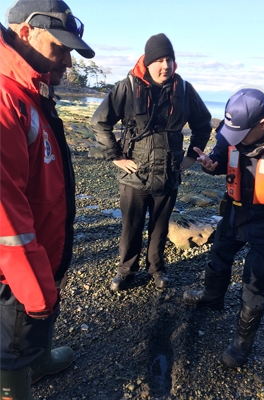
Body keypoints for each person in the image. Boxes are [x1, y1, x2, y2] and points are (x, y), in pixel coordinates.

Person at [0, 0, 94, 396]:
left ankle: (39, 359)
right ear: (26, 33)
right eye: (61, 49)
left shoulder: (29, 91)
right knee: (13, 341)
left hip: (41, 247)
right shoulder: (6, 100)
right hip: (15, 270)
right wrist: (36, 286)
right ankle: (17, 381)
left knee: (35, 324)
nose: (68, 64)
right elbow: (5, 216)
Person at [182, 88, 264, 368]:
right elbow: (223, 156)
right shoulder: (235, 128)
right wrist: (212, 165)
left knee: (254, 278)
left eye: (241, 134)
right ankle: (212, 298)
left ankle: (242, 343)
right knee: (219, 253)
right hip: (237, 211)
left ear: (262, 124)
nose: (233, 138)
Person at [91, 33, 212, 291]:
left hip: (168, 174)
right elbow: (99, 122)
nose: (165, 65)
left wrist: (192, 156)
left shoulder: (184, 89)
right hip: (134, 176)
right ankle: (125, 271)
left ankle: (157, 270)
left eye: (169, 59)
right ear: (147, 62)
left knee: (159, 229)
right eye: (159, 59)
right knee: (131, 228)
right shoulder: (128, 87)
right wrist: (116, 157)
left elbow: (203, 124)